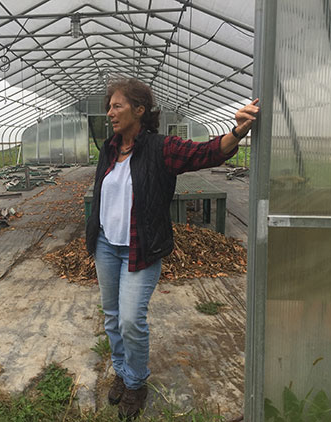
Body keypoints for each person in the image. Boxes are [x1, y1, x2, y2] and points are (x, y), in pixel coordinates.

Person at [85, 78, 259, 420]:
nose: (110, 113)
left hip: (141, 246)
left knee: (132, 320)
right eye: (109, 106)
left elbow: (206, 153)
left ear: (139, 110)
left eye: (117, 106)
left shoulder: (160, 148)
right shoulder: (109, 148)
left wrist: (237, 133)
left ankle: (136, 383)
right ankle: (122, 372)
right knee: (112, 318)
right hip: (106, 244)